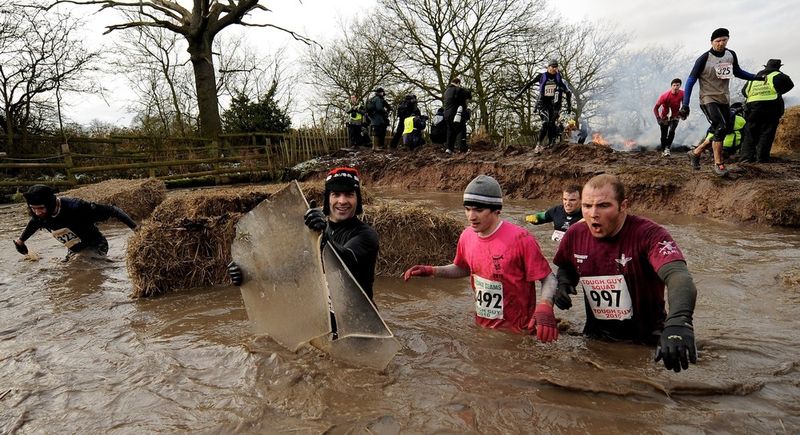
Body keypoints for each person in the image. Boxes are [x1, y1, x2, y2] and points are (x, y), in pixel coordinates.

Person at [553, 174, 698, 373]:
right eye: (587, 206)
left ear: (624, 206)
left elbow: (678, 276)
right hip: (596, 340)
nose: (593, 214)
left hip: (646, 343)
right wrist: (564, 283)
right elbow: (566, 265)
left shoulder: (650, 234)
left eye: (604, 206)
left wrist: (679, 322)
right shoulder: (575, 234)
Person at [403, 175, 559, 342]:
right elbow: (463, 268)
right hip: (482, 329)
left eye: (478, 210)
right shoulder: (467, 236)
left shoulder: (521, 239)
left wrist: (545, 305)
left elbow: (548, 278)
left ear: (496, 210)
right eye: (467, 209)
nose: (471, 216)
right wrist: (432, 270)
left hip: (519, 334)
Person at [229, 167, 379, 301]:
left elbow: (345, 263)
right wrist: (249, 274)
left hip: (360, 323)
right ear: (328, 198)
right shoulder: (314, 231)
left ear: (357, 199)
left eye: (349, 195)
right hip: (326, 318)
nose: (342, 201)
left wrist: (323, 237)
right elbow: (294, 270)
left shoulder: (366, 236)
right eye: (336, 194)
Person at [682, 28, 755, 176]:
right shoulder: (704, 58)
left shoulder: (730, 55)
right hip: (707, 98)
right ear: (712, 42)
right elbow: (690, 81)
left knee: (724, 129)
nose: (721, 43)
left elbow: (738, 72)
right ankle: (718, 164)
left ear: (727, 40)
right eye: (718, 41)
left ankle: (696, 152)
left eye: (724, 40)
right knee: (720, 127)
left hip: (724, 98)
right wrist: (685, 104)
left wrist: (756, 77)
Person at [13, 184, 138, 261]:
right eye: (33, 208)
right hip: (74, 249)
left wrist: (135, 228)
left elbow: (113, 210)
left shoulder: (76, 206)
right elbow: (33, 223)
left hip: (96, 245)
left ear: (50, 204)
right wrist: (21, 241)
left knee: (84, 267)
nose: (37, 212)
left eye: (40, 208)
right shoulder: (39, 215)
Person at [739, 59, 795, 163]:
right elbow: (790, 85)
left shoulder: (753, 78)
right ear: (778, 67)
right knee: (767, 132)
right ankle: (762, 158)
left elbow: (744, 91)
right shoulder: (778, 75)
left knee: (750, 133)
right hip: (771, 108)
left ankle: (746, 158)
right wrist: (778, 92)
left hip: (752, 108)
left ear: (765, 67)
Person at [517, 59, 572, 152]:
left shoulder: (559, 78)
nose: (554, 69)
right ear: (548, 67)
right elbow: (529, 84)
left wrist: (569, 106)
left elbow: (568, 92)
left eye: (556, 67)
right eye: (552, 67)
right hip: (543, 104)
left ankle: (551, 143)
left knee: (551, 124)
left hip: (553, 105)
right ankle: (538, 145)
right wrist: (520, 93)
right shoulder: (541, 76)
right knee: (545, 123)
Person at [653, 78, 685, 157]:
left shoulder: (683, 93)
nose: (675, 87)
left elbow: (685, 105)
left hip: (675, 116)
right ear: (671, 86)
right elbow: (655, 108)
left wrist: (683, 112)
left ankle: (667, 149)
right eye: (674, 85)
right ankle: (663, 150)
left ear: (680, 86)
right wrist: (658, 119)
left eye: (677, 85)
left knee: (671, 131)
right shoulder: (664, 96)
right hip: (665, 117)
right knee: (664, 135)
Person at [442, 78, 472, 155]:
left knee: (450, 131)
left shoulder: (446, 91)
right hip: (456, 114)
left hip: (446, 114)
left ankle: (449, 149)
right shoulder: (458, 89)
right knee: (461, 129)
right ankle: (463, 148)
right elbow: (468, 95)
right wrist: (468, 90)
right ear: (458, 83)